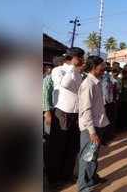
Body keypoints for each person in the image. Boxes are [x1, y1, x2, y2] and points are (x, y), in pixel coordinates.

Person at [47, 47, 85, 187]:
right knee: (58, 146)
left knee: (72, 146)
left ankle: (66, 174)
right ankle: (54, 179)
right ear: (72, 57)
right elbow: (65, 84)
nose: (82, 60)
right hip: (62, 112)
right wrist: (72, 69)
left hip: (75, 113)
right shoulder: (59, 70)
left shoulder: (78, 73)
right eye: (80, 57)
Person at [77, 56, 109, 191]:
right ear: (94, 67)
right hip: (91, 128)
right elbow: (86, 110)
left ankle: (92, 177)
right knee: (87, 156)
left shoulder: (96, 82)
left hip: (98, 124)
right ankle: (83, 185)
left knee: (94, 155)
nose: (104, 69)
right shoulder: (88, 85)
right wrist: (92, 132)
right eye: (102, 66)